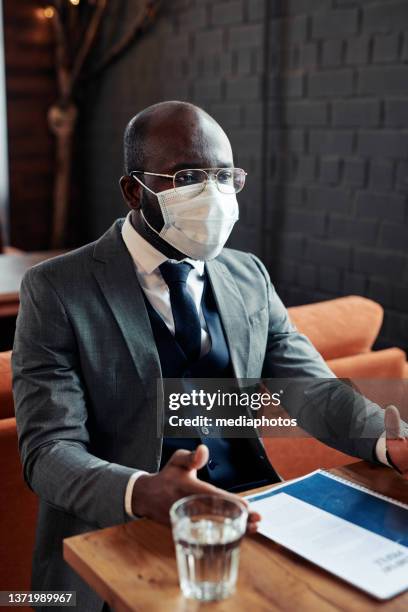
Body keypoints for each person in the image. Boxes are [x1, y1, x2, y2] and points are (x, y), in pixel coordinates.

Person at [12, 101, 408, 612]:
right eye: (189, 175)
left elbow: (313, 388)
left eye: (225, 176)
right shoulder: (57, 289)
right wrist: (142, 490)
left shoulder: (249, 276)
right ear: (136, 190)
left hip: (254, 513)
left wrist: (387, 441)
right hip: (125, 532)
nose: (213, 192)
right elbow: (48, 451)